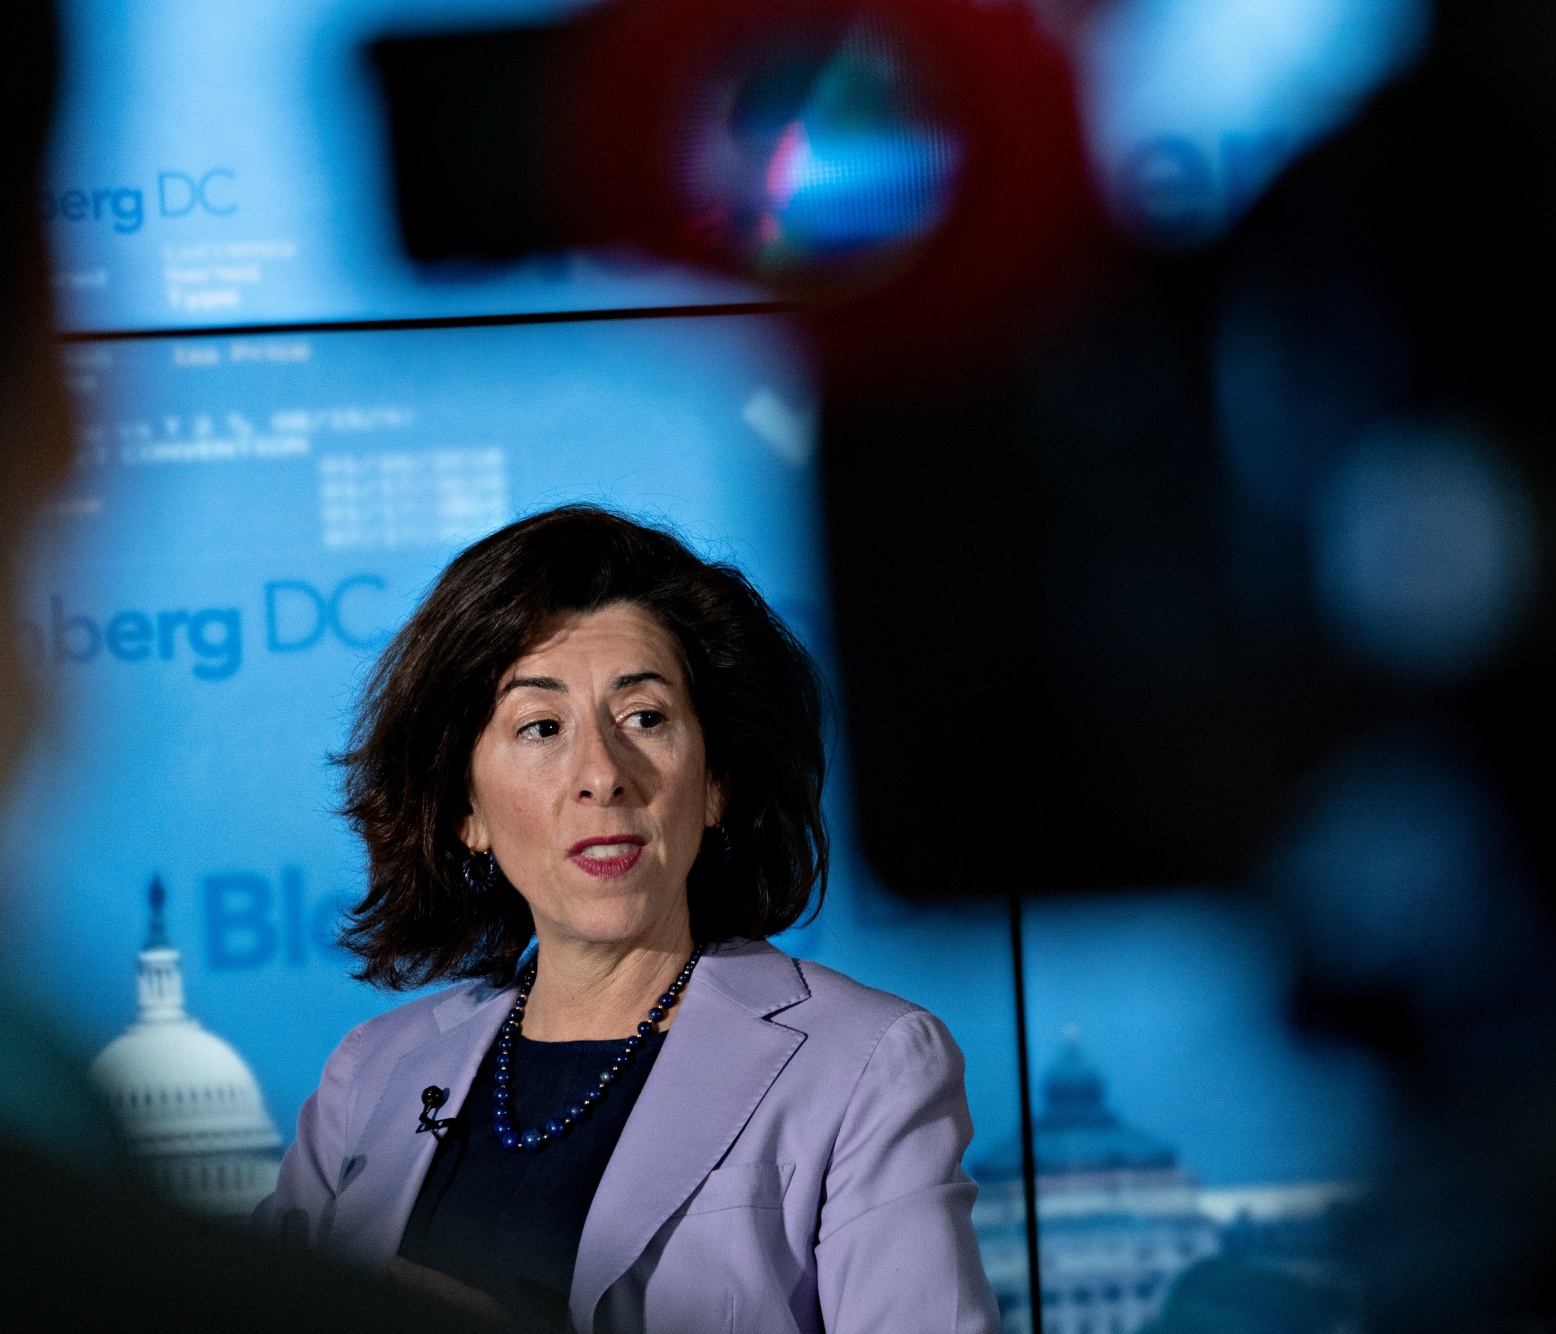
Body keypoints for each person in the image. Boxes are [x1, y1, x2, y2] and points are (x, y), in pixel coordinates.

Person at [256, 505, 1000, 1334]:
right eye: (542, 727)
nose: (602, 775)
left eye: (645, 717)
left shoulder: (864, 1066)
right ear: (466, 810)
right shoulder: (372, 1075)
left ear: (716, 783)